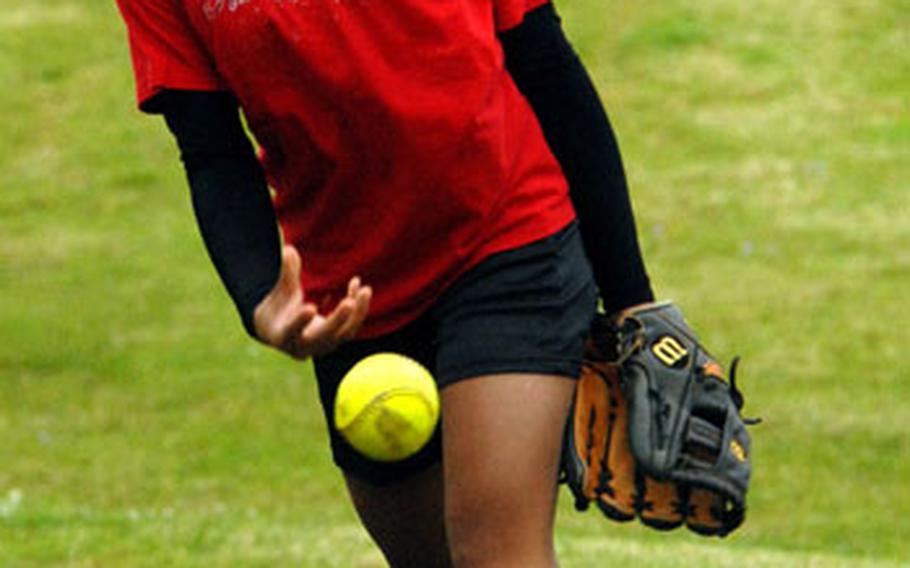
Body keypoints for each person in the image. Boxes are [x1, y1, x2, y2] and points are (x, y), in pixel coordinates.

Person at [115, 0, 654, 566]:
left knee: (494, 552)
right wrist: (259, 296)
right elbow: (210, 150)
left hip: (506, 238)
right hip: (348, 300)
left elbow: (543, 61)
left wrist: (631, 301)